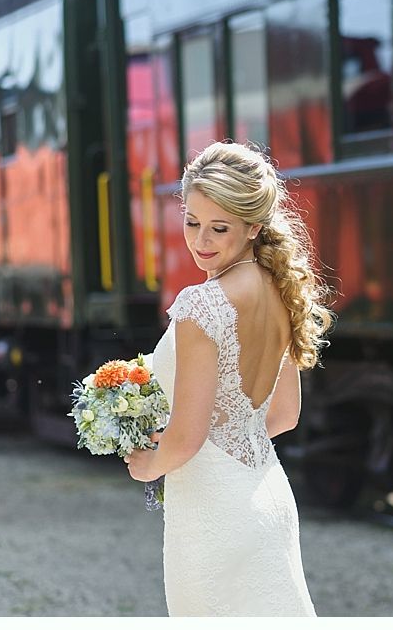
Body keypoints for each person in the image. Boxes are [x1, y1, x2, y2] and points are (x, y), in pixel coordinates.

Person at [123, 141, 333, 616]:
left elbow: (188, 439)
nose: (201, 241)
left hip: (212, 514)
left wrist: (149, 464)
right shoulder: (281, 290)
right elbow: (283, 415)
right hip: (267, 499)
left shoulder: (202, 306)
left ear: (254, 226)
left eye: (219, 228)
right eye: (192, 222)